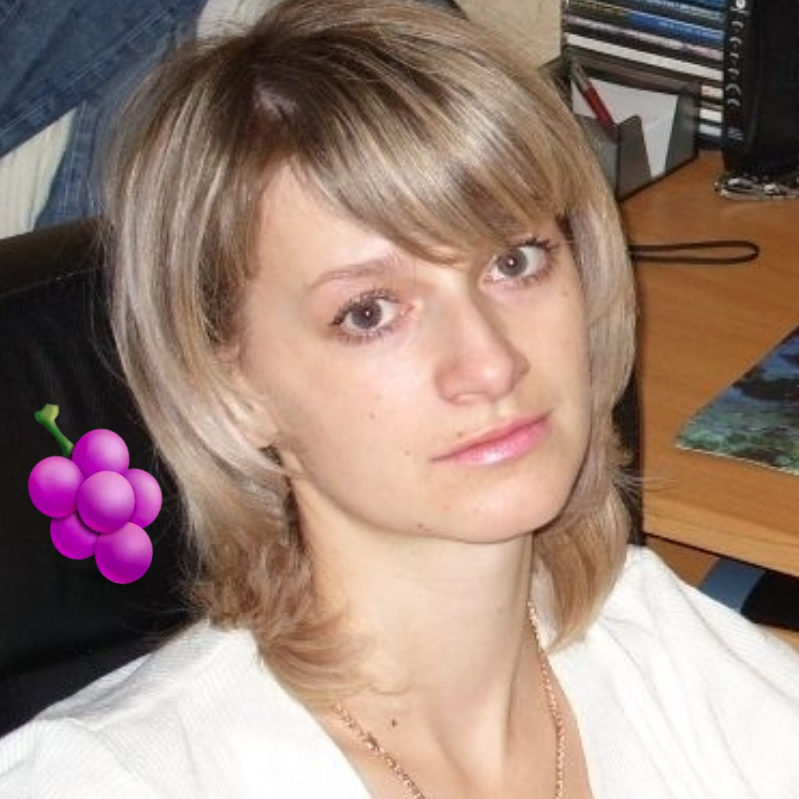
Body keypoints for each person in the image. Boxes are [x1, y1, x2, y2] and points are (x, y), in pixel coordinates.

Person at [1, 0, 798, 796]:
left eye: (514, 262)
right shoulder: (111, 779)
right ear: (232, 389)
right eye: (369, 313)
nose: (489, 362)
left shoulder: (657, 649)